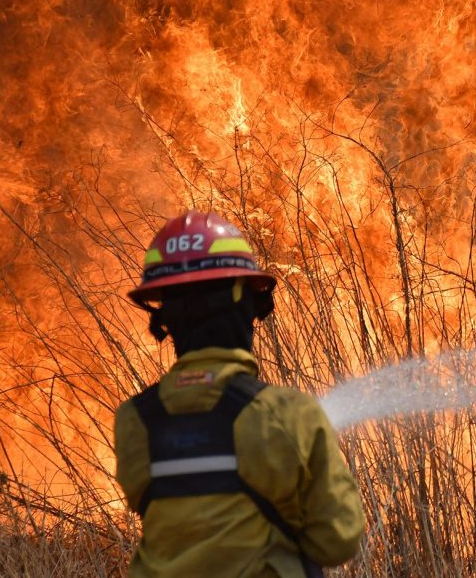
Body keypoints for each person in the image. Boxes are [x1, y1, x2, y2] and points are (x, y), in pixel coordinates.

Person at [114, 210, 364, 578]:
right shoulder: (288, 414)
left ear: (164, 315)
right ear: (242, 301)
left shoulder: (134, 421)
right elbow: (337, 540)